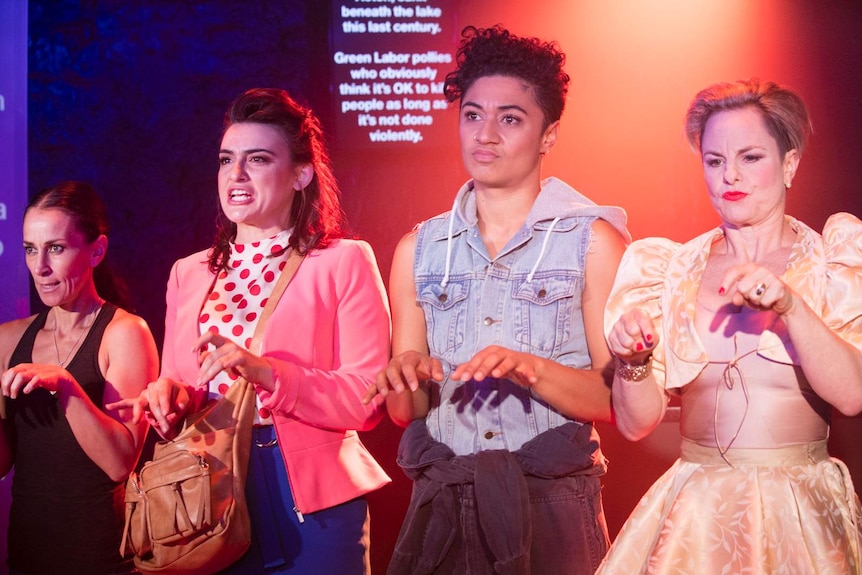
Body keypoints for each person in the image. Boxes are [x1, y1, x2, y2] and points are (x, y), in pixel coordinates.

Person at [364, 25, 630, 574]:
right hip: (443, 505)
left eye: (510, 118)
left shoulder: (593, 242)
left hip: (551, 505)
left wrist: (530, 368)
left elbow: (618, 403)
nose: (485, 134)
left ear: (548, 134)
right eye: (472, 114)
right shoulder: (418, 248)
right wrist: (405, 375)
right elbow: (405, 411)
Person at [114, 88, 392, 574]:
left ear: (301, 173)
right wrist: (167, 397)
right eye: (226, 160)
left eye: (257, 159)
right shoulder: (189, 272)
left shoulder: (344, 260)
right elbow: (184, 386)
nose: (236, 174)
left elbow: (366, 400)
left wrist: (265, 372)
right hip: (209, 489)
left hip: (311, 496)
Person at [597, 79, 862, 574]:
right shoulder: (668, 268)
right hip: (697, 516)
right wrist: (632, 363)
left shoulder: (833, 260)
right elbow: (636, 426)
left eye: (750, 157)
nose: (729, 175)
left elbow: (852, 396)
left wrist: (791, 306)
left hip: (799, 509)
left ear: (789, 164)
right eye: (715, 161)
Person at [0, 181, 159, 575]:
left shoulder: (124, 333)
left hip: (104, 560)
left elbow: (120, 463)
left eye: (56, 248)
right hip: (28, 556)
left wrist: (66, 386)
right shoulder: (8, 338)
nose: (40, 267)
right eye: (30, 249)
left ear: (97, 250)